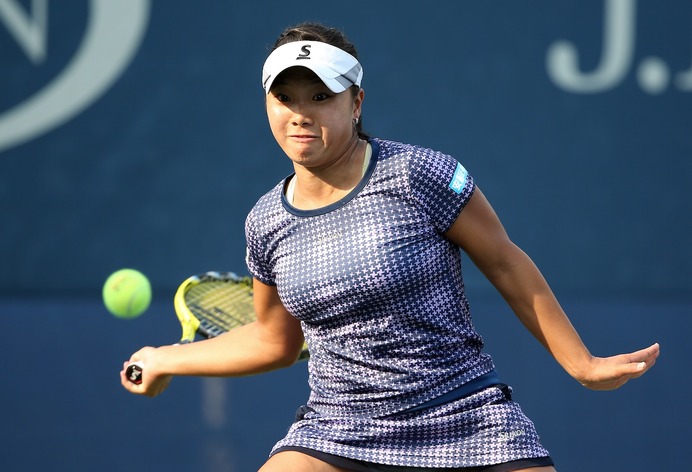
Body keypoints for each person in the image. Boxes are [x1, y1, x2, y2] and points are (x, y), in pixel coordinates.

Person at [121, 22, 660, 472]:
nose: (300, 113)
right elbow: (272, 340)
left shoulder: (420, 174)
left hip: (465, 416)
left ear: (356, 102)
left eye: (320, 97)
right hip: (337, 431)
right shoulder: (265, 221)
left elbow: (504, 260)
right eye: (284, 98)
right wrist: (166, 358)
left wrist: (583, 364)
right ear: (267, 105)